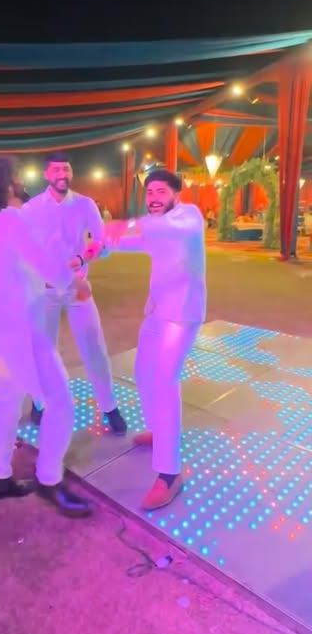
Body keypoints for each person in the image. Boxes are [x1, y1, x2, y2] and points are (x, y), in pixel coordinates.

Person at [0, 156, 92, 517]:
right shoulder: (11, 220)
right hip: (24, 330)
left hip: (7, 328)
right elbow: (44, 263)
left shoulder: (0, 222)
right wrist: (76, 283)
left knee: (8, 400)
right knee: (61, 401)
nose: (21, 180)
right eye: (16, 176)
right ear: (6, 183)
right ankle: (49, 479)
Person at [105, 168, 206, 510]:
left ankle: (170, 473)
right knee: (142, 374)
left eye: (161, 191)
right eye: (149, 192)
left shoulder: (189, 217)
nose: (154, 198)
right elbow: (128, 242)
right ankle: (160, 433)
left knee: (164, 381)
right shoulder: (156, 227)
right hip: (157, 311)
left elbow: (160, 229)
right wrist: (96, 247)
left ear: (177, 194)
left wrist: (127, 223)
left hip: (182, 314)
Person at [21, 152, 126, 435]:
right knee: (42, 350)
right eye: (56, 170)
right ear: (46, 174)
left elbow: (101, 241)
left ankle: (109, 406)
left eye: (66, 169)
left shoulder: (84, 204)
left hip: (77, 288)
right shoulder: (31, 209)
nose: (62, 175)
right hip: (44, 290)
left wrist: (83, 259)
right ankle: (40, 402)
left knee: (94, 348)